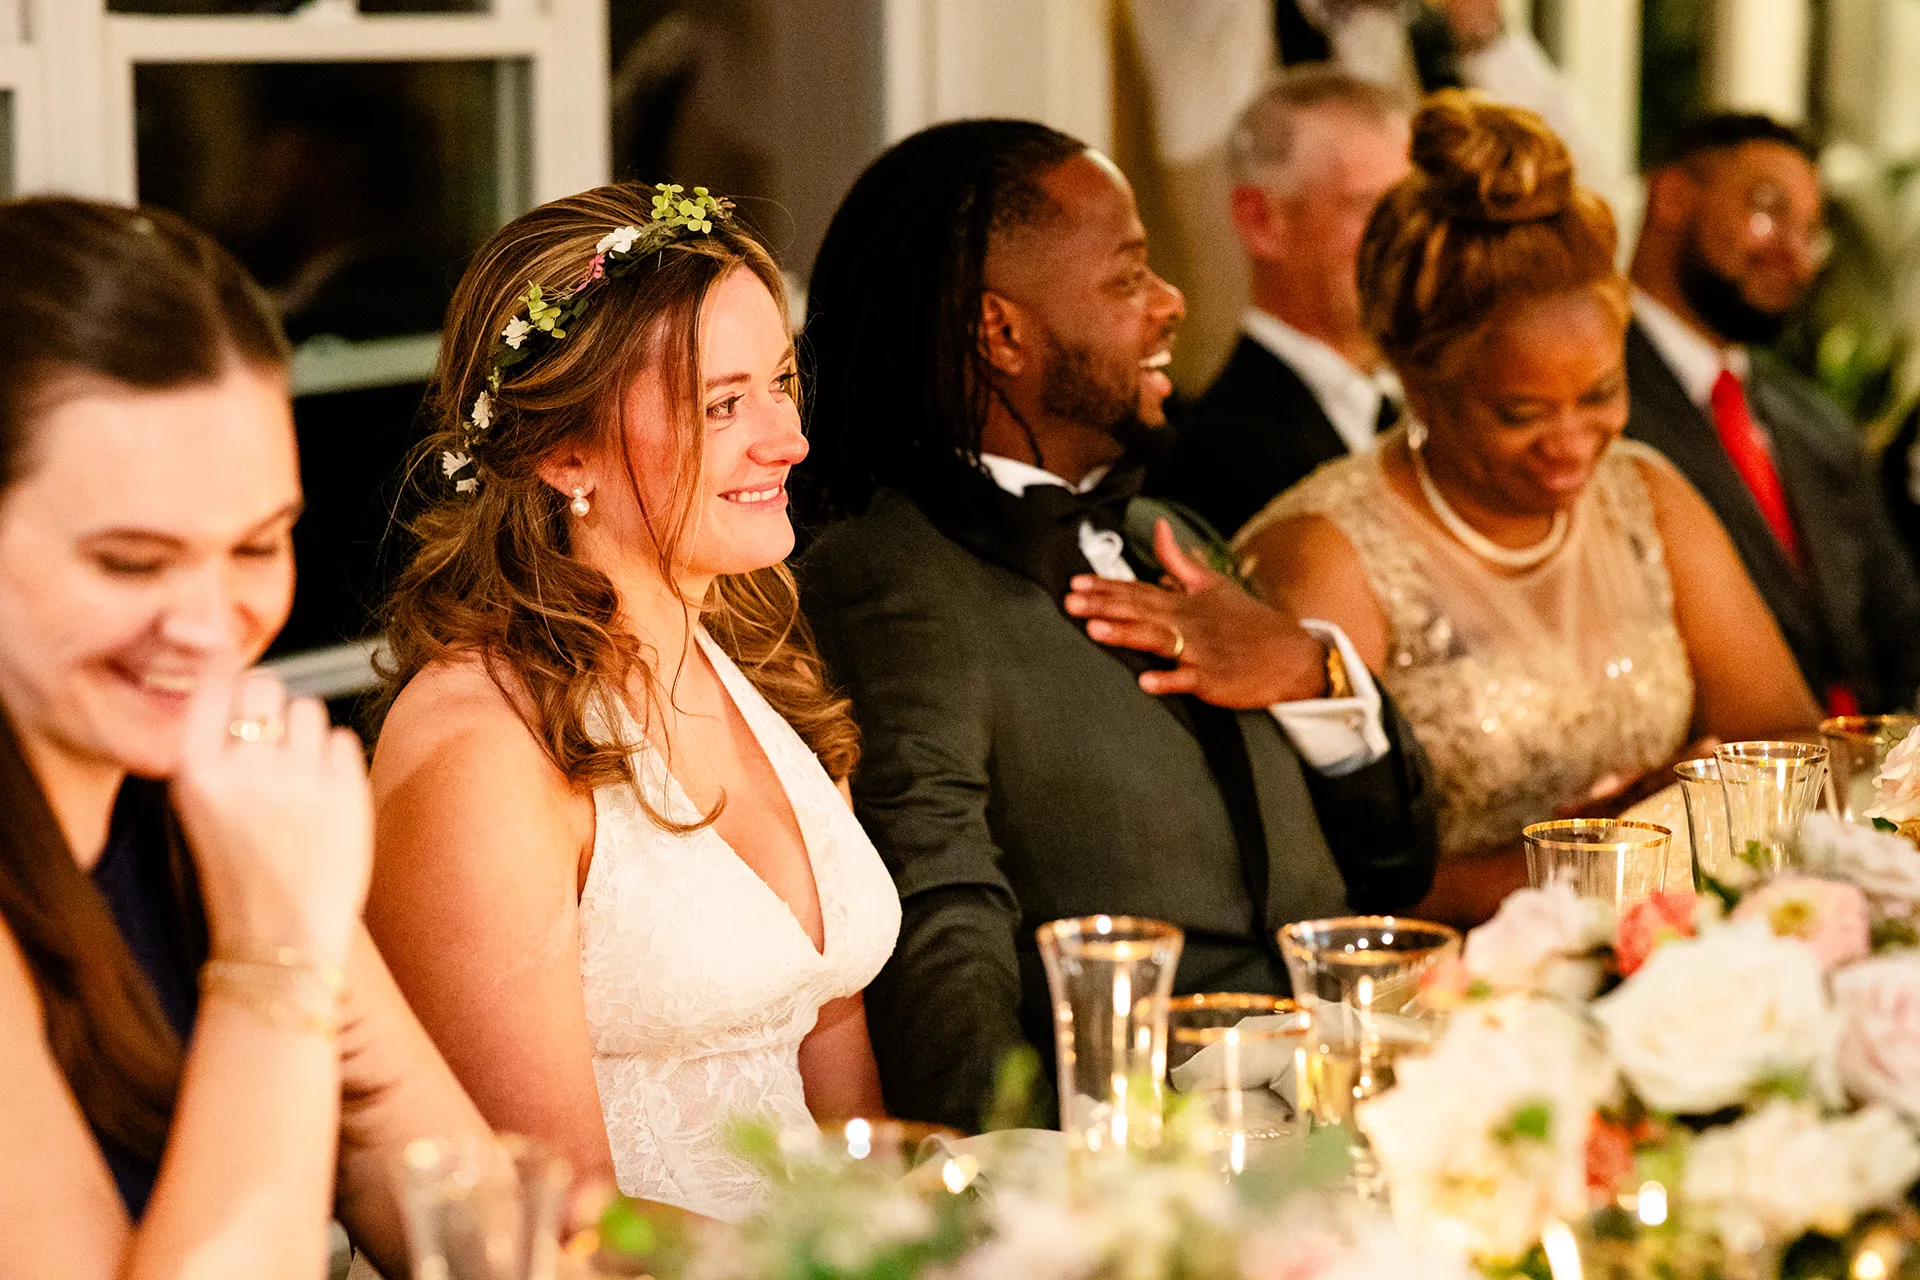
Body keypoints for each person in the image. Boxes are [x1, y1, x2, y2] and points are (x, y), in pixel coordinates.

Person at [795, 119, 1440, 1134]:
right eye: (1129, 278)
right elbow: (939, 919)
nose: (1172, 302)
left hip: (1353, 1109)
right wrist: (1021, 1190)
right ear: (1000, 332)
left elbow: (1397, 866)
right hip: (1150, 1152)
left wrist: (1314, 673)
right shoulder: (895, 575)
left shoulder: (1170, 535)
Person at [368, 182, 899, 1221]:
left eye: (783, 384)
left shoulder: (762, 670)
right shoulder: (482, 749)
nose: (787, 438)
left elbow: (855, 1132)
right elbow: (544, 1215)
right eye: (721, 402)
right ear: (564, 452)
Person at [0, 197, 489, 1278]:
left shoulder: (206, 799)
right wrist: (273, 952)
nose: (209, 623)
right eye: (131, 561)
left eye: (259, 545)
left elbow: (474, 1218)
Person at [1230, 94, 1822, 927]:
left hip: (1679, 957)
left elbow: (1793, 751)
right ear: (1422, 381)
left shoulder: (1644, 495)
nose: (1576, 441)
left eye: (1601, 394)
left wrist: (1696, 811)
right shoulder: (1327, 557)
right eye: (1522, 413)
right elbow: (1315, 881)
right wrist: (1622, 846)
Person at [1625, 112, 1920, 715]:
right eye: (1768, 212)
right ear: (1673, 197)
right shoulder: (1590, 403)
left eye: (1811, 232)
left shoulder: (1817, 425)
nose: (1796, 255)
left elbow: (1904, 628)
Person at [1150, 66, 1411, 537]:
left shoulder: (1422, 406)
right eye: (1369, 207)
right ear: (1261, 221)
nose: (1404, 239)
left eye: (1412, 208)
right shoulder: (1223, 454)